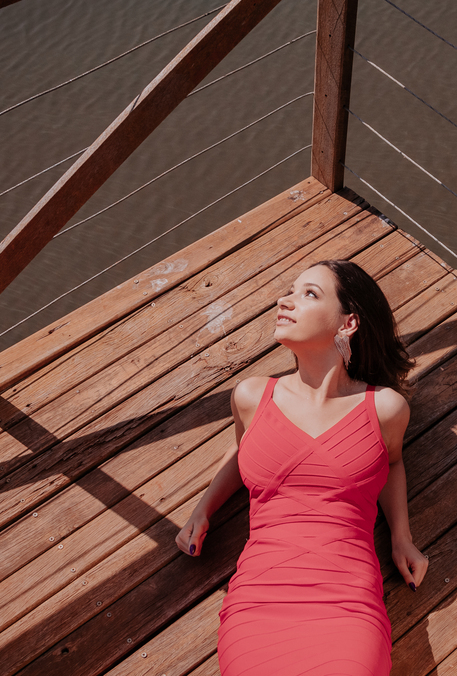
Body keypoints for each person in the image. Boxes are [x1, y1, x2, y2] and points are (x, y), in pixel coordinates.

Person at [175, 259, 429, 675]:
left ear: (348, 323)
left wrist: (401, 537)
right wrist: (202, 511)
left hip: (346, 605)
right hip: (260, 602)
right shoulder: (252, 396)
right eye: (290, 290)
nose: (285, 301)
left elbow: (391, 463)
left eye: (309, 293)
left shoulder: (384, 408)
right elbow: (243, 454)